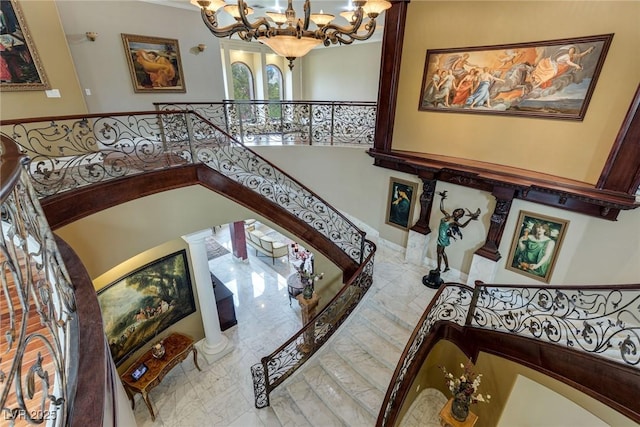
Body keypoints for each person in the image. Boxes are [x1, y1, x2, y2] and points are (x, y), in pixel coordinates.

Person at [435, 191, 480, 272]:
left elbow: (462, 226)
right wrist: (442, 199)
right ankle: (447, 267)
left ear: (459, 216)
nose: (457, 213)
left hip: (443, 237)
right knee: (442, 252)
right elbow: (442, 209)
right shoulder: (447, 216)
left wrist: (470, 219)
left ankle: (438, 269)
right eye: (457, 211)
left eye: (460, 213)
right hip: (442, 235)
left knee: (439, 253)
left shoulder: (454, 222)